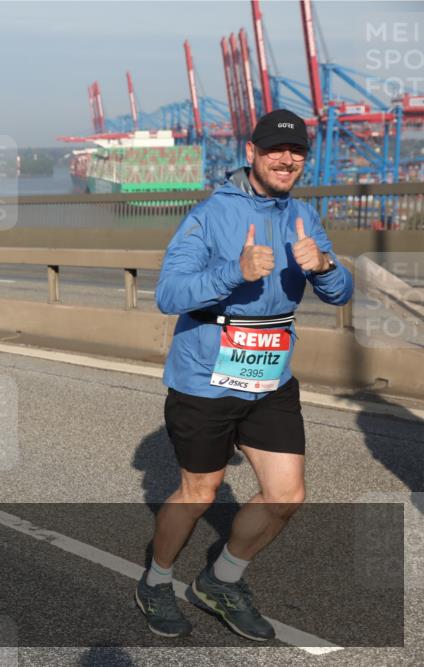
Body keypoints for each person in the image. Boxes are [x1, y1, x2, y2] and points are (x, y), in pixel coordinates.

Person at [136, 110, 353, 640]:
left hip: (270, 377)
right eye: (276, 150)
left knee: (286, 495)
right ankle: (156, 581)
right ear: (252, 153)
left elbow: (342, 293)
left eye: (297, 152)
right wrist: (235, 270)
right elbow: (169, 294)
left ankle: (220, 580)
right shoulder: (210, 214)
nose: (287, 159)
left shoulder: (304, 215)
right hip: (205, 378)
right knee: (201, 491)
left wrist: (323, 266)